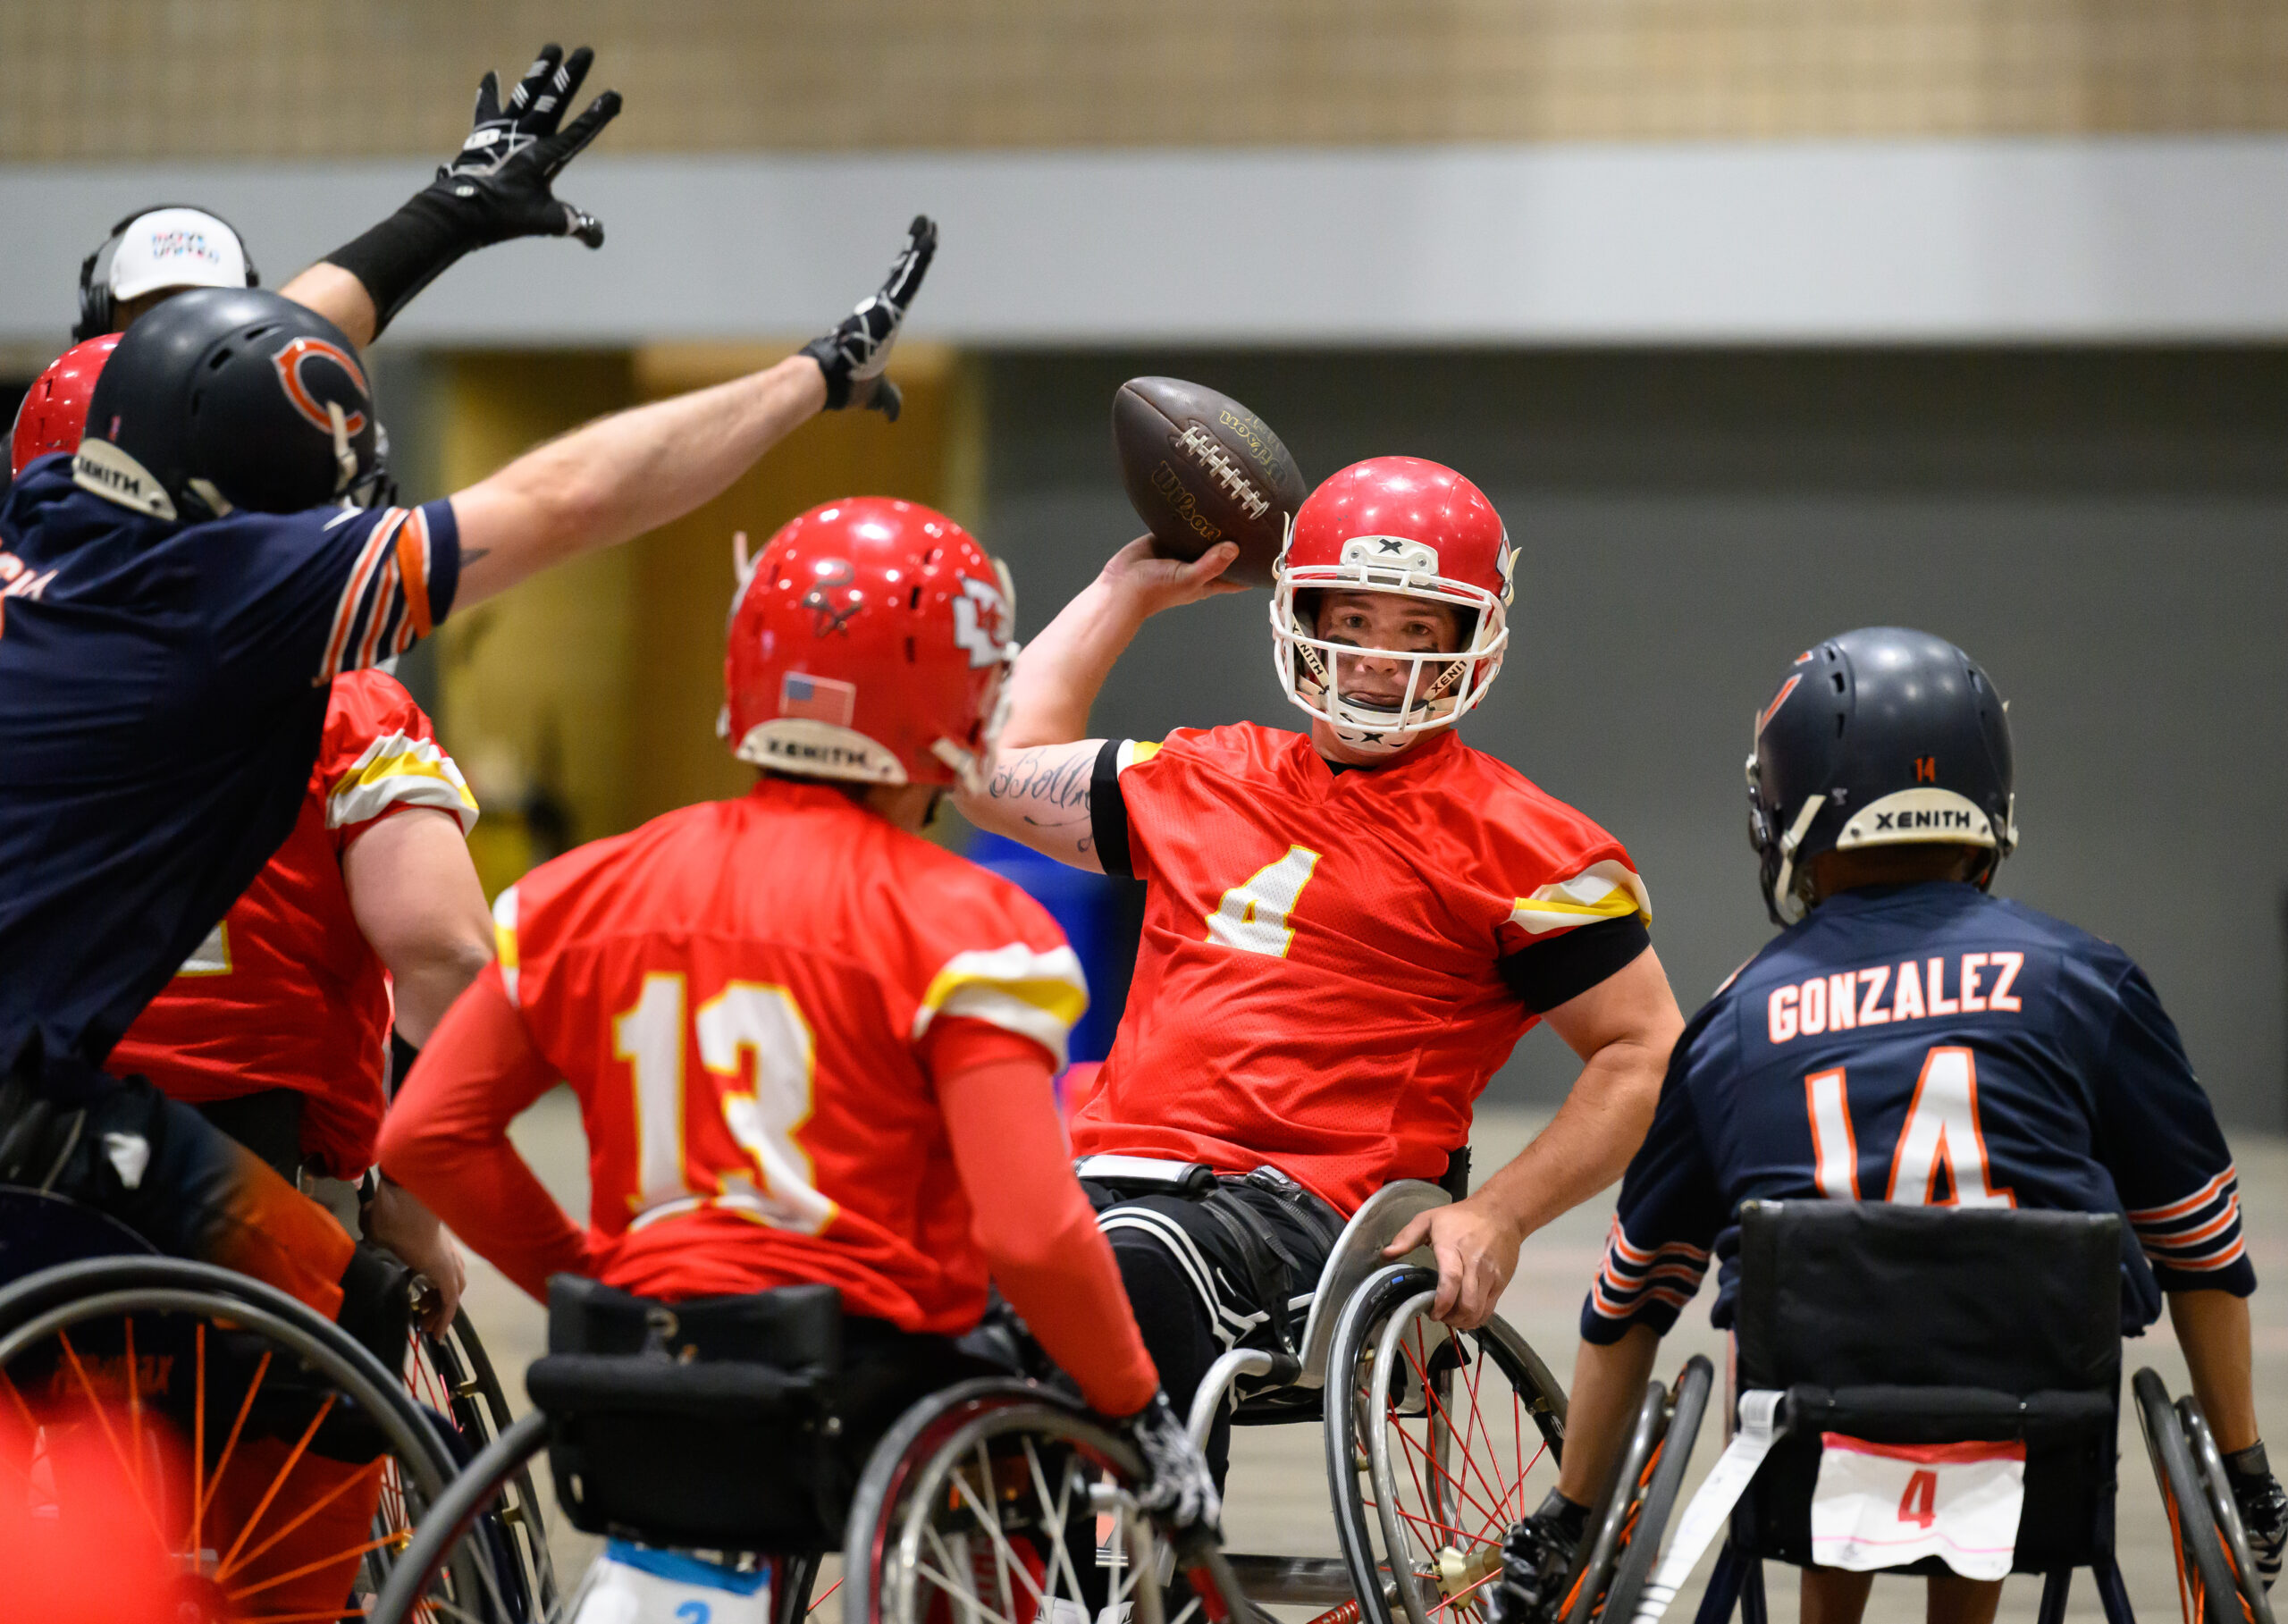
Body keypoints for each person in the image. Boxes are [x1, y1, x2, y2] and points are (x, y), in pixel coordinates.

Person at [0, 192, 938, 1333]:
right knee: (349, 1295)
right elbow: (569, 499)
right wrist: (811, 376)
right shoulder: (243, 605)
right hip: (77, 1118)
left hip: (69, 1082)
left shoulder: (53, 523)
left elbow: (202, 372)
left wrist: (444, 215)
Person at [378, 499, 1220, 1536]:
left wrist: (595, 1287)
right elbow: (1032, 1232)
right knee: (1033, 1427)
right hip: (870, 1381)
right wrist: (1137, 1403)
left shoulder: (580, 890)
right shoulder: (974, 924)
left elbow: (425, 1134)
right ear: (962, 696)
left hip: (645, 1365)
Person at [1486, 627, 2288, 1624]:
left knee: (1828, 1363)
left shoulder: (1736, 1016)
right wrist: (2245, 1472)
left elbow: (1631, 1293)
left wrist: (1571, 1511)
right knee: (2011, 1352)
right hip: (2047, 1440)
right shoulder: (2087, 978)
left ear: (1788, 802)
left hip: (1804, 1437)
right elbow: (2201, 1247)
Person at [957, 455, 1687, 1484]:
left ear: (1472, 641)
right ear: (1300, 616)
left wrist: (1499, 1212)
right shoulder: (1201, 771)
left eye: (1416, 629)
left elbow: (1643, 1048)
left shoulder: (1531, 846)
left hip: (1318, 1222)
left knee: (1131, 1256)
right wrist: (1124, 593)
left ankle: (1150, 1577)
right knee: (923, 1244)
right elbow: (986, 771)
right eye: (1350, 622)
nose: (1376, 661)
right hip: (1110, 1176)